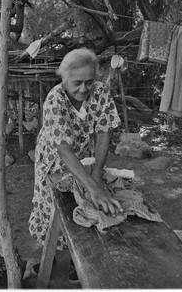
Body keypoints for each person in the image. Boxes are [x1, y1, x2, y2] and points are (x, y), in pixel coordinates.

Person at [28, 47, 123, 284]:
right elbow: (63, 150)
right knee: (51, 208)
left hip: (83, 156)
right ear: (64, 78)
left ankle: (74, 260)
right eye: (77, 83)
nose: (84, 89)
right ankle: (49, 256)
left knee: (79, 208)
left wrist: (97, 174)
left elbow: (103, 134)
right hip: (53, 160)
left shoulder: (100, 93)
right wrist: (93, 187)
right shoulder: (54, 101)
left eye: (89, 82)